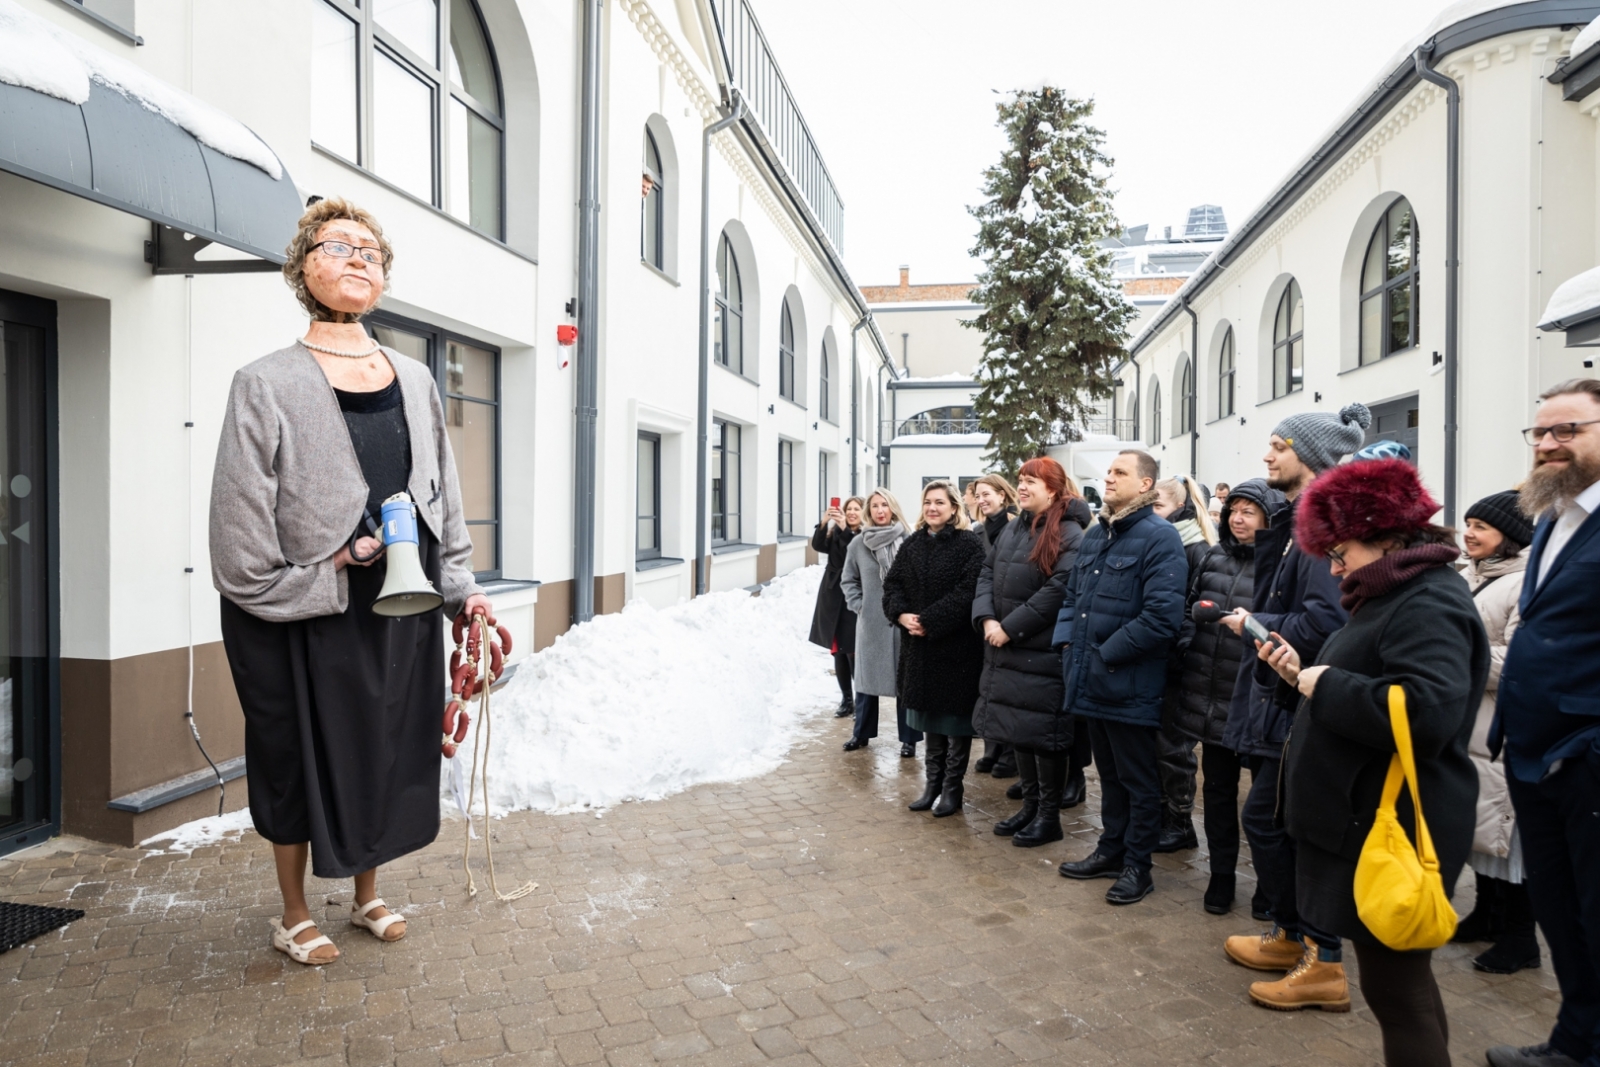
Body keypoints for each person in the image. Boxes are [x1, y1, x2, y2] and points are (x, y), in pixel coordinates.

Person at [210, 198, 493, 965]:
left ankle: (367, 892)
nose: (359, 258)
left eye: (370, 249)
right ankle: (294, 910)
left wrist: (462, 587)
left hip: (401, 606)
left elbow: (446, 497)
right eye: (338, 246)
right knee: (295, 756)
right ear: (304, 267)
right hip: (302, 614)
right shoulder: (263, 382)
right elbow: (238, 532)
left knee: (386, 749)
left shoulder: (413, 377)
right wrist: (328, 565)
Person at [1256, 459, 1485, 1065]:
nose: (1333, 567)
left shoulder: (1427, 600)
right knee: (1399, 985)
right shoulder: (1391, 591)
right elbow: (1364, 682)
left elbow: (1428, 711)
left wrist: (1326, 684)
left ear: (1386, 534)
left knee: (1397, 990)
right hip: (1364, 819)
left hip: (1393, 826)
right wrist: (1297, 676)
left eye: (1341, 551)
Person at [1219, 404, 1365, 988]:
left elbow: (1325, 618)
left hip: (1303, 695)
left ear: (1311, 455)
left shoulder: (1323, 524)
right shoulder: (1296, 521)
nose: (1266, 455)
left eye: (1279, 446)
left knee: (1284, 821)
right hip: (1282, 692)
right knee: (1270, 817)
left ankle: (1321, 956)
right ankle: (1288, 934)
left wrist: (1256, 623)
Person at [1487, 380, 1600, 1067]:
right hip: (1531, 755)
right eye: (1539, 432)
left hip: (1584, 759)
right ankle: (1574, 1042)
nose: (1549, 444)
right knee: (1561, 914)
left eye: (1568, 430)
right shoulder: (1557, 517)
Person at [1054, 450, 1187, 905]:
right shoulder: (1098, 534)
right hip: (1090, 677)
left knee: (1138, 780)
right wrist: (1069, 645)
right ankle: (1110, 850)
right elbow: (1073, 596)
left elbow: (1162, 617)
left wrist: (1104, 653)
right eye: (1108, 472)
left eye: (1119, 473)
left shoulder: (1159, 537)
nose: (1107, 479)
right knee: (1109, 776)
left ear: (1146, 485)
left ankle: (1137, 866)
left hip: (1128, 683)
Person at [1168, 478, 1284, 914]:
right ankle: (1220, 877)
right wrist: (1186, 643)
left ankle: (1268, 886)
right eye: (1233, 510)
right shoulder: (1213, 555)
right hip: (1210, 693)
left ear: (1269, 519)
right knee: (1216, 793)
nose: (1236, 519)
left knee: (1264, 803)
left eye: (1248, 512)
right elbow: (1188, 608)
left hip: (1256, 698)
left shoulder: (1281, 566)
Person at [971, 457, 1087, 847]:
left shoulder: (1071, 533)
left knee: (1045, 735)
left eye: (1031, 481)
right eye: (1020, 480)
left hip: (1043, 652)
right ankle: (1030, 806)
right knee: (1018, 729)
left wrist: (1010, 627)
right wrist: (987, 618)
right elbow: (987, 572)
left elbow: (1060, 589)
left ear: (1052, 489)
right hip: (1005, 646)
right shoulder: (1013, 528)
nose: (1021, 487)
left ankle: (1048, 817)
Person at [1453, 490, 1539, 975]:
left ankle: (1520, 940)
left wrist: (1458, 657)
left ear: (1510, 535)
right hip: (1469, 720)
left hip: (1500, 723)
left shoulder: (1526, 584)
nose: (1469, 533)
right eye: (1468, 523)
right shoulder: (1471, 576)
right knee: (1477, 826)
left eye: (1480, 526)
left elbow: (1521, 660)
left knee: (1506, 834)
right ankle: (1485, 915)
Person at [883, 481, 986, 817]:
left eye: (940, 502)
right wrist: (901, 614)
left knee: (955, 725)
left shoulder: (969, 544)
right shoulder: (912, 544)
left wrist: (929, 619)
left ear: (954, 508)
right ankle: (932, 785)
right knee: (929, 722)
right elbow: (892, 585)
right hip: (920, 651)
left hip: (955, 649)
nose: (932, 508)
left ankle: (952, 789)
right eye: (928, 502)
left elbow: (968, 591)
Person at [1151, 474, 1218, 853]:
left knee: (1174, 746)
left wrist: (1180, 651)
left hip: (1180, 665)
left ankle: (1179, 822)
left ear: (1180, 507)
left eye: (1158, 506)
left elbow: (1191, 610)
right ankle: (1163, 815)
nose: (1153, 513)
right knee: (1159, 743)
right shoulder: (1166, 542)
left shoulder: (1195, 548)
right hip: (1161, 661)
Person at [839, 489, 921, 757]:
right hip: (872, 622)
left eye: (884, 504)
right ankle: (861, 734)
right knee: (865, 682)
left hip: (902, 622)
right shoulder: (858, 544)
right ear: (869, 511)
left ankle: (909, 739)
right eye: (874, 506)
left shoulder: (909, 541)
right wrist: (860, 605)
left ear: (893, 507)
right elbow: (848, 579)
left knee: (905, 681)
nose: (880, 510)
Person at [970, 474, 1020, 779]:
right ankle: (992, 747)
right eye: (977, 495)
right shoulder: (978, 532)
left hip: (1009, 618)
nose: (981, 499)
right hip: (985, 616)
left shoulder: (1015, 528)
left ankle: (1011, 752)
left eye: (987, 493)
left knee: (1009, 688)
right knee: (988, 686)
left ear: (1003, 495)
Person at [810, 497, 864, 718]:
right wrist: (824, 523)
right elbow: (818, 545)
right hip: (832, 595)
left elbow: (851, 554)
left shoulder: (864, 535)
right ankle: (846, 699)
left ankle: (862, 699)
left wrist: (843, 529)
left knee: (852, 649)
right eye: (848, 509)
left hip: (852, 595)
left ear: (863, 512)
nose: (851, 513)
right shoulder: (835, 533)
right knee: (838, 650)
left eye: (856, 509)